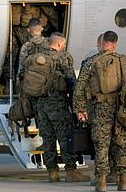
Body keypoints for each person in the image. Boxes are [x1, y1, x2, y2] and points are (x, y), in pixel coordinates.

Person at [74, 30, 126, 192]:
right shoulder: (125, 61)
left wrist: (80, 108)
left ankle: (102, 183)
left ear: (102, 42)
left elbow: (80, 87)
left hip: (101, 109)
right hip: (121, 109)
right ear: (115, 44)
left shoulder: (91, 62)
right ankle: (124, 181)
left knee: (101, 145)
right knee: (121, 143)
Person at [33, 32, 91, 183]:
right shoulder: (63, 57)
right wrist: (77, 105)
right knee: (65, 137)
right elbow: (72, 82)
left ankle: (52, 172)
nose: (64, 47)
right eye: (63, 44)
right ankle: (71, 171)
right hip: (57, 104)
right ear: (59, 44)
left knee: (48, 139)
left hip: (41, 105)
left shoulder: (37, 57)